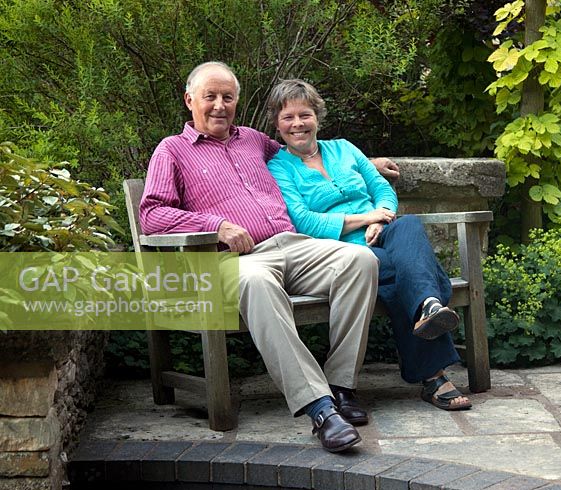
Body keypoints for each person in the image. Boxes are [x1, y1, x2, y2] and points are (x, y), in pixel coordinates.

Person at [139, 62, 398, 452]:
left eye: (228, 97)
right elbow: (152, 213)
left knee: (360, 261)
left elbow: (305, 149)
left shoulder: (255, 141)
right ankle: (321, 409)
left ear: (237, 101)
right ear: (190, 99)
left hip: (291, 244)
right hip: (233, 260)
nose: (219, 105)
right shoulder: (172, 150)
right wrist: (218, 224)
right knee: (258, 282)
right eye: (210, 96)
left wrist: (367, 164)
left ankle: (342, 386)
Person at [266, 79, 471, 411]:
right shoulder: (277, 167)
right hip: (344, 251)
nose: (297, 124)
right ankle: (432, 367)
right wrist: (365, 219)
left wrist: (382, 216)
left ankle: (429, 307)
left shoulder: (345, 149)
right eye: (288, 117)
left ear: (317, 116)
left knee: (408, 224)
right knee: (400, 272)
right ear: (277, 123)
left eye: (305, 114)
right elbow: (304, 221)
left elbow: (382, 190)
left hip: (385, 233)